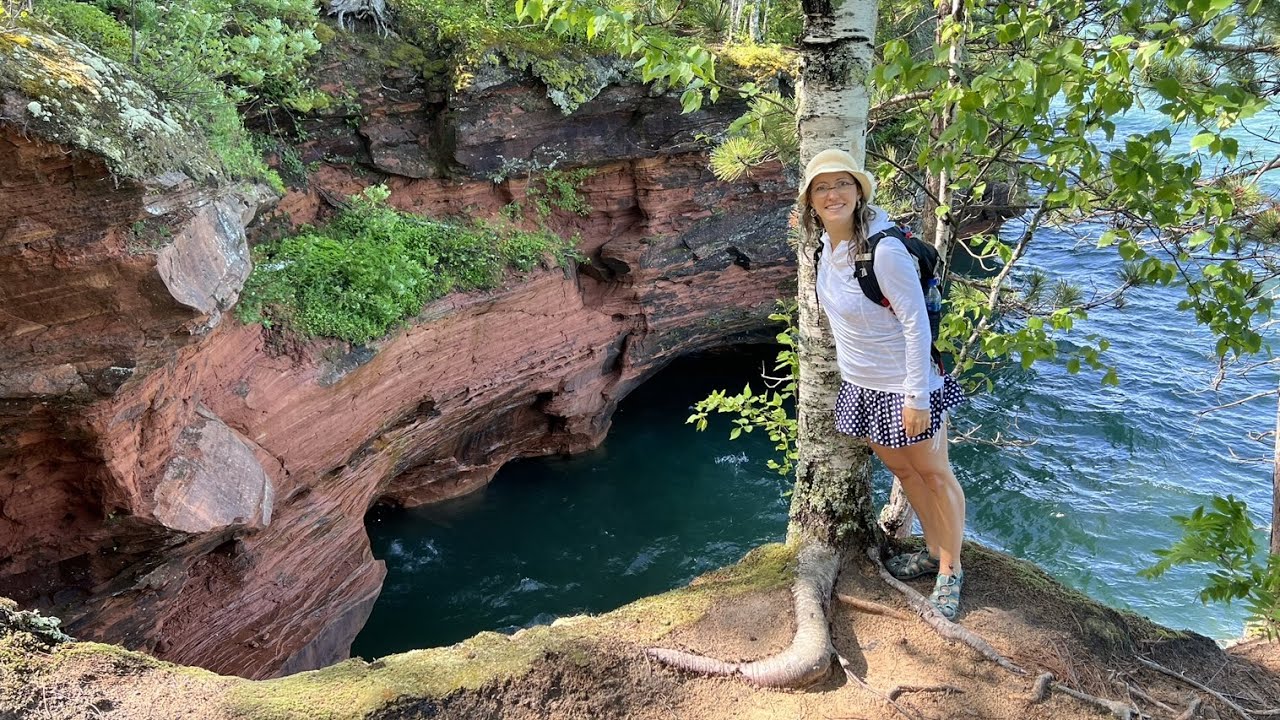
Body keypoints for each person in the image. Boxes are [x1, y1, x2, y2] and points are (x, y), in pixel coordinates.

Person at [798, 148, 969, 619]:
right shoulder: (824, 250)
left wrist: (916, 396)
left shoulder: (885, 250)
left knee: (935, 473)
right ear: (810, 200)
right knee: (907, 472)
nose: (833, 194)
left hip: (908, 385)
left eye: (843, 184)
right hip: (865, 386)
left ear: (859, 191)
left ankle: (951, 572)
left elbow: (916, 325)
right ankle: (935, 552)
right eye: (822, 187)